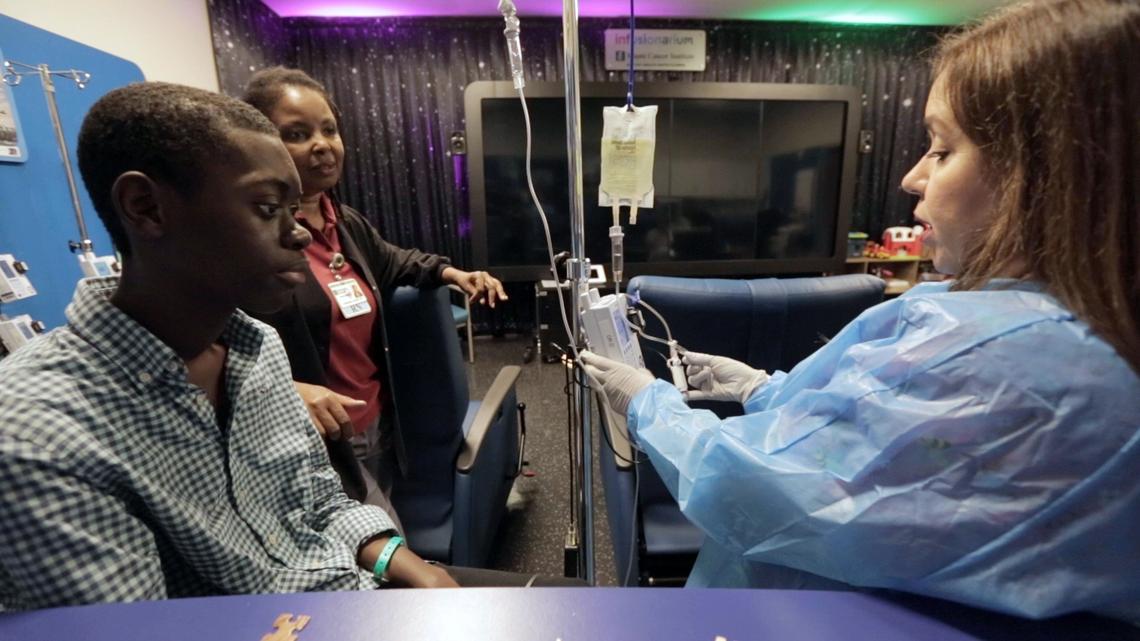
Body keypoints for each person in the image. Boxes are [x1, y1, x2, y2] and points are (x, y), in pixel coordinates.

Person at [581, 0, 1139, 622]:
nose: (911, 177)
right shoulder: (1062, 327)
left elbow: (755, 490)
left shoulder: (993, 354)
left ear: (1042, 172)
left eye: (942, 149)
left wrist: (648, 404)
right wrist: (764, 391)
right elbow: (878, 449)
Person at [0, 82, 577, 611]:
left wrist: (413, 571)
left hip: (347, 591)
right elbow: (140, 631)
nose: (299, 232)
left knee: (581, 610)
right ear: (146, 208)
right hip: (290, 620)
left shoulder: (257, 351)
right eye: (267, 209)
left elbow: (319, 503)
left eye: (294, 208)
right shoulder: (37, 434)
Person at [240, 68, 507, 522]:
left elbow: (394, 260)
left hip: (374, 419)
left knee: (380, 527)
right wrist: (287, 389)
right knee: (376, 544)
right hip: (311, 438)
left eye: (329, 130)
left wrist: (452, 273)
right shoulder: (249, 237)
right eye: (297, 135)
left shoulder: (343, 221)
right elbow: (213, 342)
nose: (322, 145)